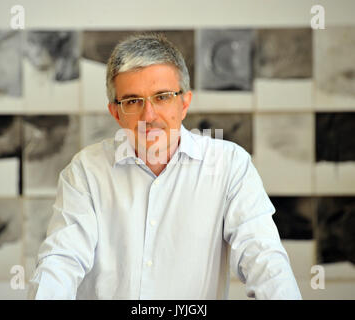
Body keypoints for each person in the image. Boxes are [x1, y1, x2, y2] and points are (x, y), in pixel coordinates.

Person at [28, 33, 302, 300]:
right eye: (133, 101)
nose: (149, 115)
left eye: (162, 97)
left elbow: (264, 260)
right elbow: (61, 261)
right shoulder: (86, 171)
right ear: (115, 112)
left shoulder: (229, 165)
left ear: (184, 103)